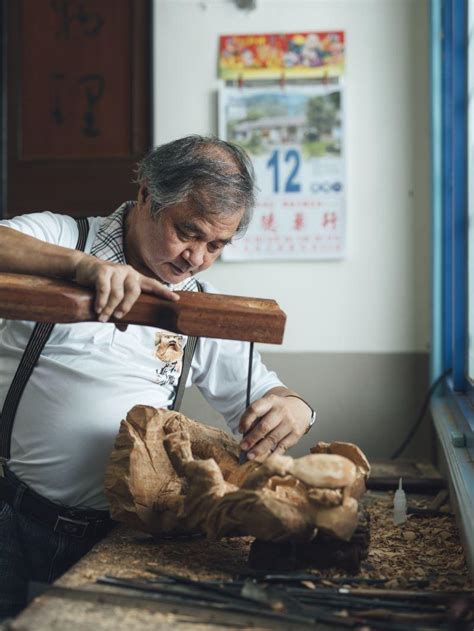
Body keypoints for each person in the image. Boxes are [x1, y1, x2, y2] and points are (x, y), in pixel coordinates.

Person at [0, 135, 316, 619]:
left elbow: (264, 393)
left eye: (216, 245)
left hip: (121, 539)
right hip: (14, 524)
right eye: (188, 232)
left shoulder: (200, 304)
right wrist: (84, 268)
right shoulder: (65, 239)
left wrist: (295, 407)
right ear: (147, 194)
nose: (197, 257)